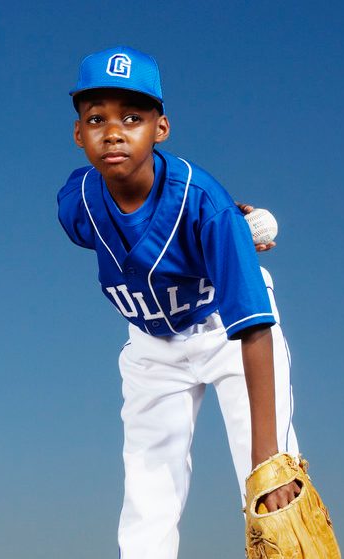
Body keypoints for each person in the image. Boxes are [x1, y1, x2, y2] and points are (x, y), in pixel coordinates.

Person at [56, 46, 303, 559]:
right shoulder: (76, 202)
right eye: (96, 118)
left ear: (161, 128)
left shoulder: (205, 206)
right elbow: (119, 230)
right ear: (79, 134)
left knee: (273, 482)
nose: (114, 131)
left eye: (133, 117)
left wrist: (268, 462)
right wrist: (221, 231)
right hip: (151, 347)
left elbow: (254, 327)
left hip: (226, 333)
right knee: (147, 496)